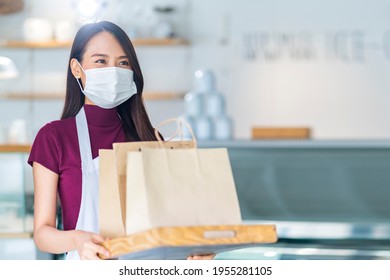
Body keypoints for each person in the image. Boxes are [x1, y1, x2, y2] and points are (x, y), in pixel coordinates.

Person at [28, 21, 214, 260]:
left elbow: (174, 222)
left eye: (123, 63)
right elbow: (43, 233)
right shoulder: (54, 137)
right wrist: (77, 239)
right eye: (101, 61)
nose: (113, 71)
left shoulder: (150, 138)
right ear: (76, 69)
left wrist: (195, 251)